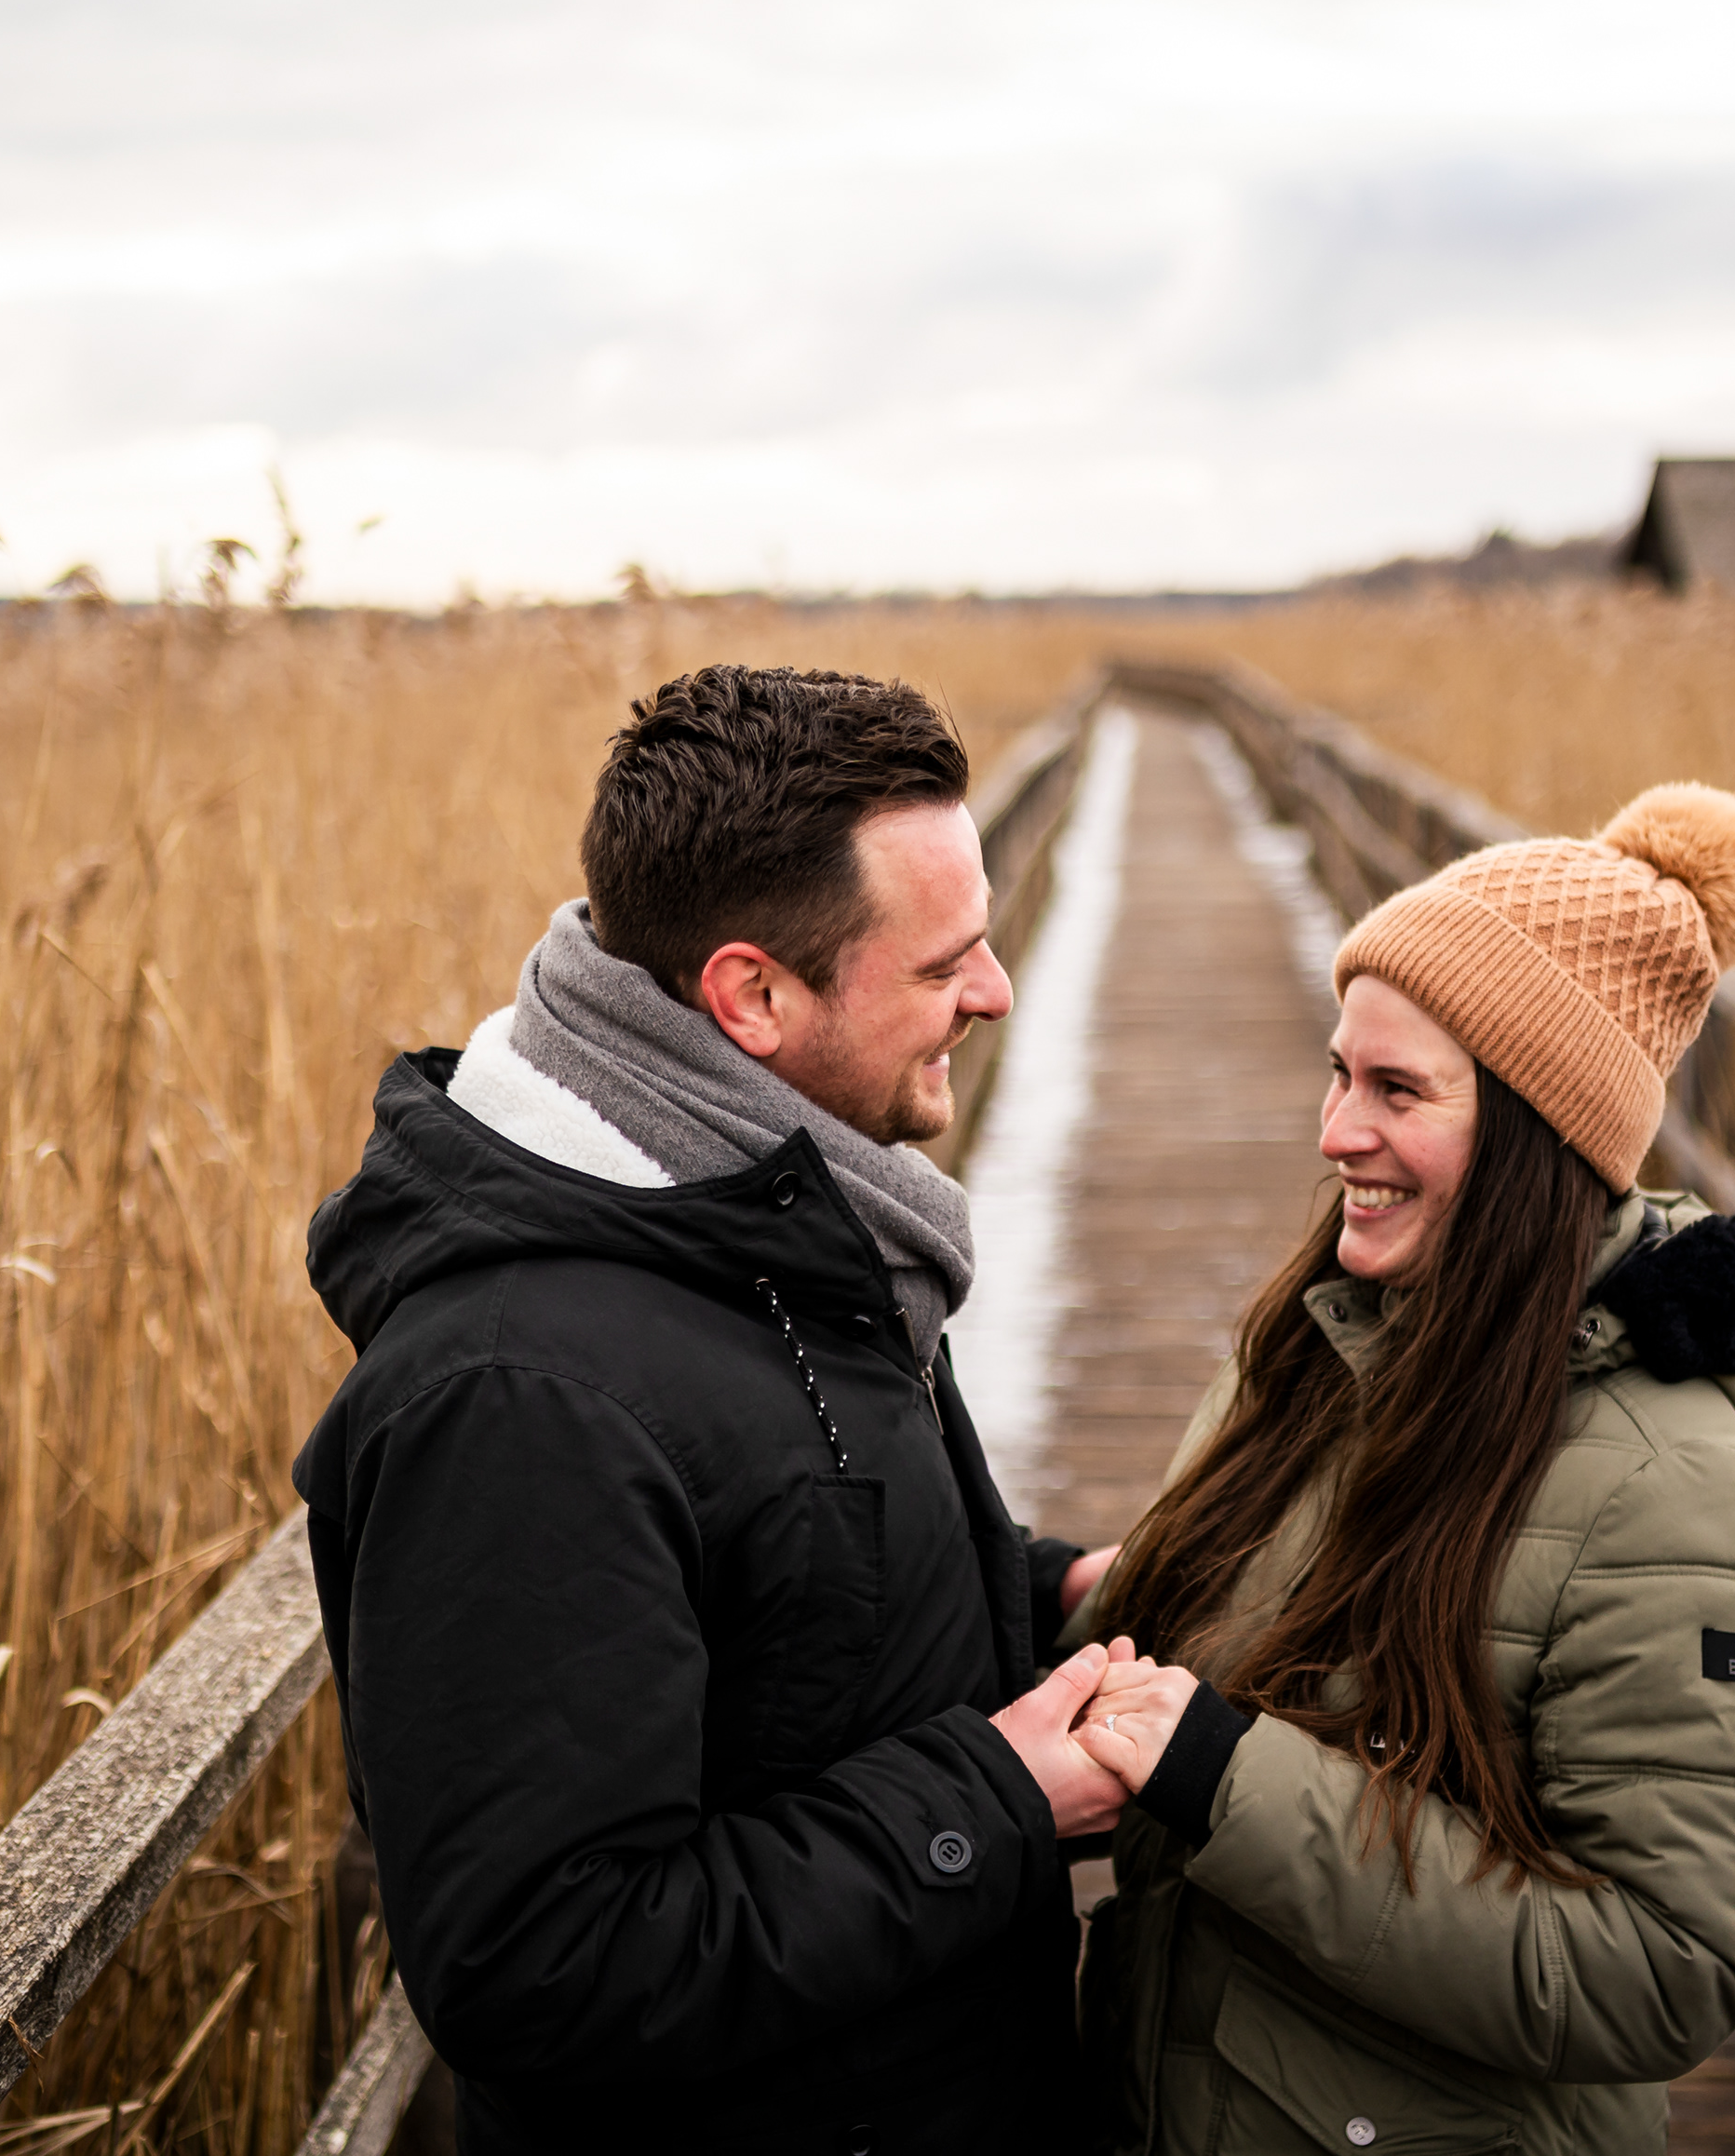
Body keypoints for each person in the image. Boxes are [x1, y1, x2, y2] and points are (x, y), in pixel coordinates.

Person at [292, 665, 1131, 2156]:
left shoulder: (765, 1211)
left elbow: (782, 1576)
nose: (994, 992)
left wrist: (1054, 1588)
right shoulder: (518, 1402)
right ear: (752, 994)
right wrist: (997, 1801)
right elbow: (548, 1965)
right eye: (949, 962)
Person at [1056, 783, 1735, 2156]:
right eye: (1339, 1070)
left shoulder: (1677, 1506)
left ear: (1537, 1136)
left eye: (1398, 1090)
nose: (1334, 1130)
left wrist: (1226, 1782)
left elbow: (1660, 1973)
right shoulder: (1311, 1357)